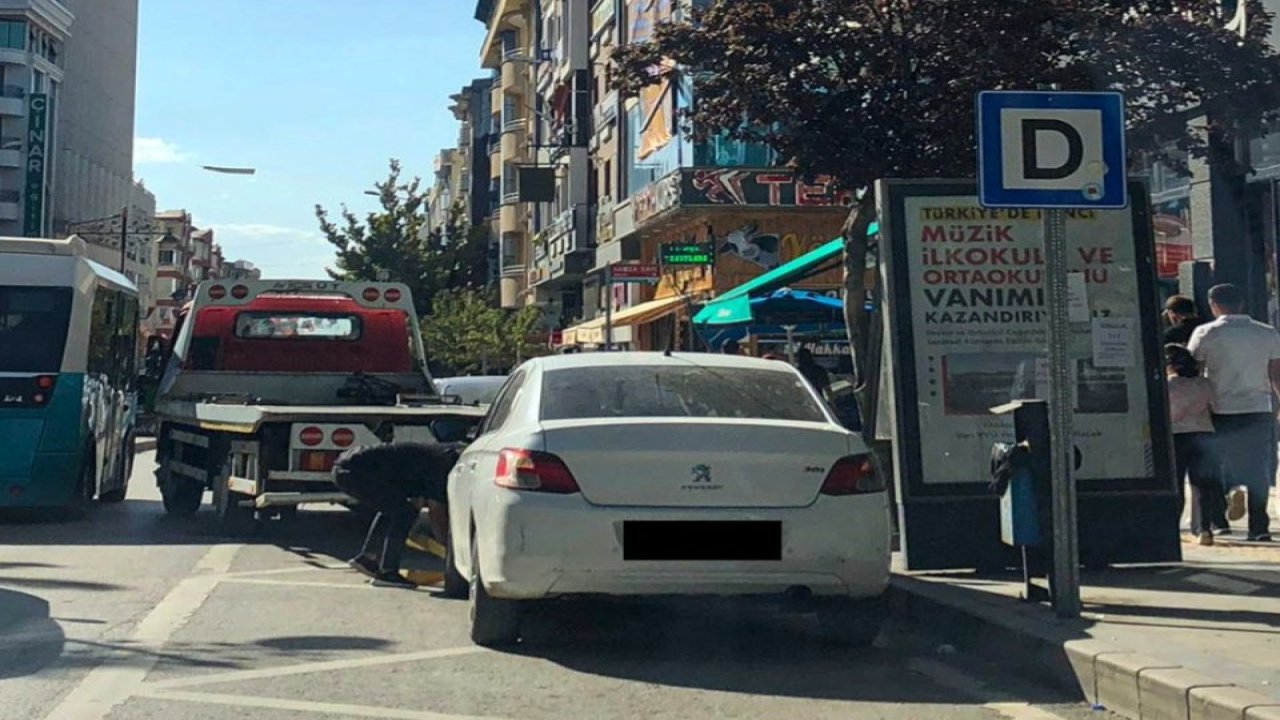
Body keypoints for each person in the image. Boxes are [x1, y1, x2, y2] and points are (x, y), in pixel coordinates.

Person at [1188, 283, 1280, 541]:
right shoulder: (1267, 333)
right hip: (1257, 409)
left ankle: (1218, 521)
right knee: (1258, 468)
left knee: (1213, 465)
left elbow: (1194, 371)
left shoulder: (1205, 333)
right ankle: (1259, 527)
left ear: (1213, 305)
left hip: (1217, 409)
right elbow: (1276, 376)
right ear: (1242, 304)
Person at [332, 440, 461, 588]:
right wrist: (449, 549)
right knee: (404, 514)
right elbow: (436, 515)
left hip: (348, 467)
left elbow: (416, 501)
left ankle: (368, 558)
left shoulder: (434, 459)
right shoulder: (443, 467)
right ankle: (388, 573)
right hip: (356, 472)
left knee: (395, 509)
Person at [1166, 344, 1223, 546]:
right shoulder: (1204, 383)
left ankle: (1171, 527)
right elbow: (1215, 407)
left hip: (1175, 436)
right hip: (1203, 434)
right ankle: (1204, 529)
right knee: (1201, 485)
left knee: (1176, 485)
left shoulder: (1168, 386)